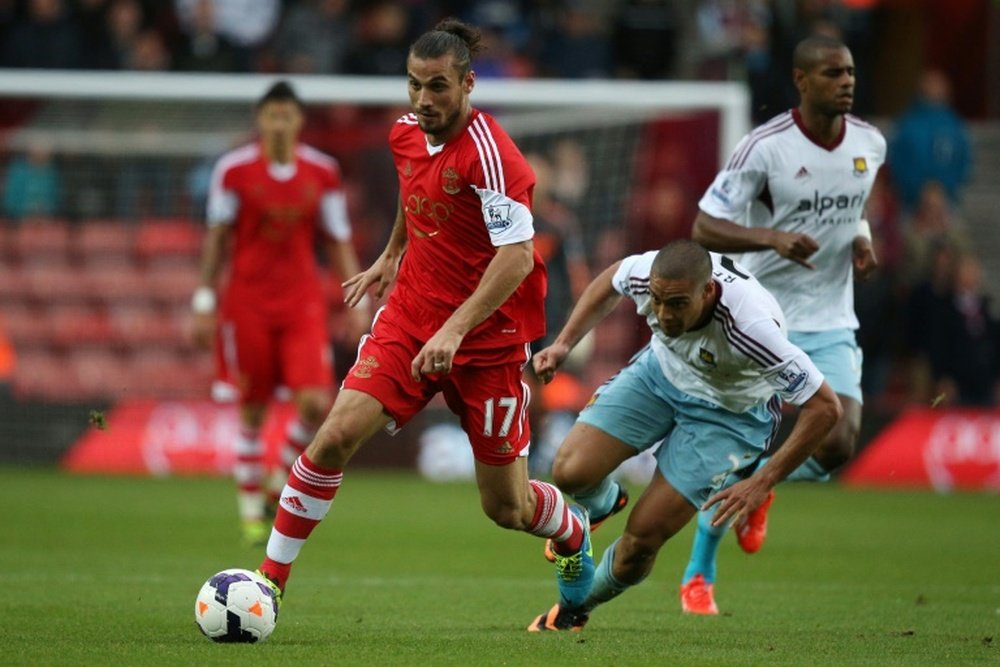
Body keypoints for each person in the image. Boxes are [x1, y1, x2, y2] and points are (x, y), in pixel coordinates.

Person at [253, 19, 595, 619]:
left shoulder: (493, 158)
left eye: (437, 86)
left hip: (488, 340)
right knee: (332, 437)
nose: (423, 100)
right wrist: (392, 254)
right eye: (414, 85)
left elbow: (516, 259)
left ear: (467, 84)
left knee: (506, 509)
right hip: (410, 318)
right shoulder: (406, 134)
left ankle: (571, 530)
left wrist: (456, 328)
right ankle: (268, 585)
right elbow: (416, 194)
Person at [527, 240, 841, 631]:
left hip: (729, 416)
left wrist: (764, 480)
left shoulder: (753, 329)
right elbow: (609, 280)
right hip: (661, 375)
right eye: (658, 301)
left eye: (676, 304)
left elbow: (826, 407)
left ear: (708, 291)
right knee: (571, 471)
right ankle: (607, 503)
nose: (663, 313)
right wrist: (562, 344)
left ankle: (576, 609)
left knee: (642, 540)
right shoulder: (650, 274)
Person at [686, 34, 885, 613]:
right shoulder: (764, 148)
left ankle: (761, 487)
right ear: (801, 81)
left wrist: (863, 240)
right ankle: (700, 569)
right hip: (760, 318)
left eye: (849, 71)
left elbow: (853, 201)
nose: (846, 81)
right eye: (831, 73)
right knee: (739, 448)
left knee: (840, 441)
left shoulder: (871, 143)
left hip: (828, 318)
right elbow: (704, 225)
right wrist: (769, 236)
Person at [191, 81, 371, 547]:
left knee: (315, 404)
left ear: (298, 121)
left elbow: (337, 239)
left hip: (301, 304)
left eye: (286, 115)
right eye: (270, 115)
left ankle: (274, 488)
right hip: (246, 302)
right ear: (260, 119)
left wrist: (358, 298)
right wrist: (204, 300)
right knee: (252, 409)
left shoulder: (322, 172)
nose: (278, 123)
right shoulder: (233, 171)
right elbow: (216, 237)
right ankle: (252, 511)